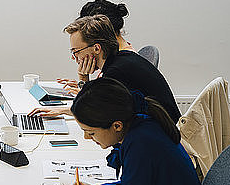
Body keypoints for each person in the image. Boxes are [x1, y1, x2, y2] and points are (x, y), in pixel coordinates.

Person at [66, 78, 212, 185]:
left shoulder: (139, 144)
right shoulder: (144, 125)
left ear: (117, 125)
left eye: (91, 133)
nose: (87, 138)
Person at [30, 15, 181, 124]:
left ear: (96, 48)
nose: (73, 58)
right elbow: (98, 105)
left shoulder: (117, 72)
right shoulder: (122, 59)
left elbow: (97, 112)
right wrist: (63, 110)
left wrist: (83, 78)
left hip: (162, 140)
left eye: (76, 52)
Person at [58, 0, 134, 93]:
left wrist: (84, 87)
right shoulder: (120, 57)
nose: (74, 57)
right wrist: (84, 84)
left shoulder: (118, 67)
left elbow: (104, 104)